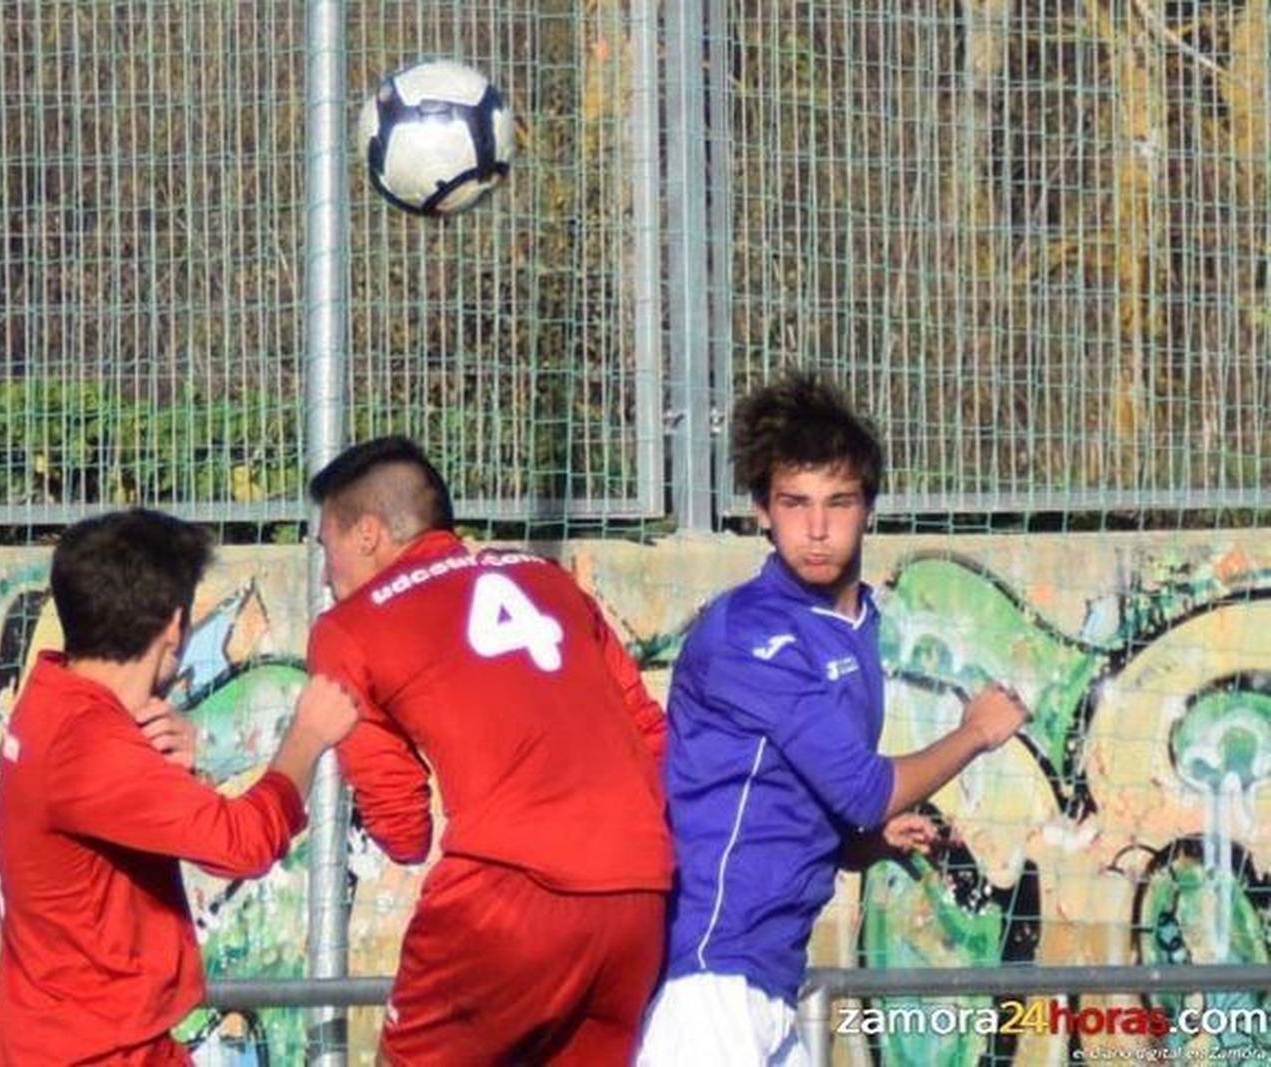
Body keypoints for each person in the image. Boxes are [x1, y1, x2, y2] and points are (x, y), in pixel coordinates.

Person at [637, 372, 1029, 1065]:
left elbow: (780, 801)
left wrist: (862, 846)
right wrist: (975, 732)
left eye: (838, 502)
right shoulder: (753, 634)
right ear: (762, 509)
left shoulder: (853, 624)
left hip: (767, 976)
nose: (816, 528)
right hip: (708, 975)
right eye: (794, 503)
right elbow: (861, 790)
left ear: (869, 506)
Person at [304, 436, 672, 1065]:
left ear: (367, 534)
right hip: (639, 895)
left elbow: (403, 826)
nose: (323, 569)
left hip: (507, 899)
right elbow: (653, 734)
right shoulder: (548, 580)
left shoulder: (349, 628)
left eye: (325, 544)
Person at [0, 508, 358, 1065]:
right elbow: (241, 844)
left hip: (87, 1038)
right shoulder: (89, 744)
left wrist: (179, 773)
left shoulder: (53, 699)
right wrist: (306, 737)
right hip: (91, 1050)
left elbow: (186, 837)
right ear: (175, 625)